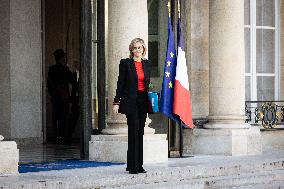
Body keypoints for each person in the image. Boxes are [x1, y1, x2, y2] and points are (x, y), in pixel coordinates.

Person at [113, 38, 151, 174]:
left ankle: (138, 165)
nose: (137, 50)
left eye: (139, 48)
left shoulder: (147, 64)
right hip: (131, 101)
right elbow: (120, 83)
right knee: (133, 132)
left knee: (140, 132)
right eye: (134, 48)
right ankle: (133, 166)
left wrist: (152, 94)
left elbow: (148, 83)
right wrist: (116, 101)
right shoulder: (125, 63)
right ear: (131, 50)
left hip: (143, 101)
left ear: (143, 49)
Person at [47, 49, 73, 144]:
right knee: (63, 117)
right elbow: (72, 80)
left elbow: (49, 84)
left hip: (56, 97)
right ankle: (62, 136)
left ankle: (57, 136)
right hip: (63, 97)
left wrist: (52, 94)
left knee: (56, 117)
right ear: (62, 58)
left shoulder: (52, 69)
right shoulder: (65, 69)